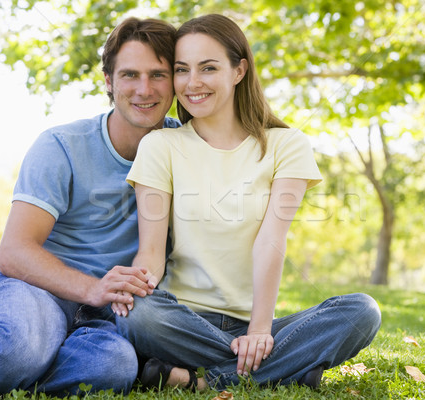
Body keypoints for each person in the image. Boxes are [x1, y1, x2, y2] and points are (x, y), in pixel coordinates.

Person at [116, 13, 382, 392]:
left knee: (362, 312)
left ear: (239, 70)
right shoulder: (161, 146)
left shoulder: (286, 145)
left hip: (254, 320)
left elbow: (270, 240)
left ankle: (202, 380)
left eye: (208, 68)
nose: (193, 83)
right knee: (138, 315)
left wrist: (259, 329)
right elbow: (152, 252)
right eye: (181, 70)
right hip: (182, 317)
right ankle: (284, 368)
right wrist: (137, 285)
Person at [0, 17, 179, 396]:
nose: (144, 89)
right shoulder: (62, 145)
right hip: (38, 291)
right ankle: (15, 358)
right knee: (17, 350)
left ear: (175, 80)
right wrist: (92, 288)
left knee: (114, 367)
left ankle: (19, 370)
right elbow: (14, 252)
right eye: (130, 74)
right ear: (109, 82)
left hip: (109, 317)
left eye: (158, 75)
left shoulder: (185, 147)